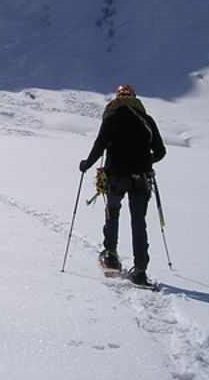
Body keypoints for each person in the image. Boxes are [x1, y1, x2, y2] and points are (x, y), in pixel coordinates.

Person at [79, 84, 166, 286]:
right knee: (138, 221)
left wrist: (86, 165)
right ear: (135, 98)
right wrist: (145, 161)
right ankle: (141, 270)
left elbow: (99, 147)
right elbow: (160, 152)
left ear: (117, 98)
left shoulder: (111, 118)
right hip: (140, 178)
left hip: (115, 176)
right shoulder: (147, 120)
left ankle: (110, 254)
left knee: (112, 211)